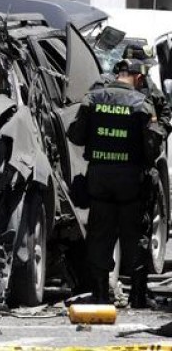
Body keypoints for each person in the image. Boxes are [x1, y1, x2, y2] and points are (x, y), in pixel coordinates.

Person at [67, 58, 163, 307]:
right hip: (131, 180)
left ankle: (99, 293)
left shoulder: (93, 99)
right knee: (135, 236)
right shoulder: (142, 105)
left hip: (99, 178)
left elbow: (76, 136)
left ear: (118, 74)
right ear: (138, 78)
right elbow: (153, 149)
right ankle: (138, 296)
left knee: (99, 235)